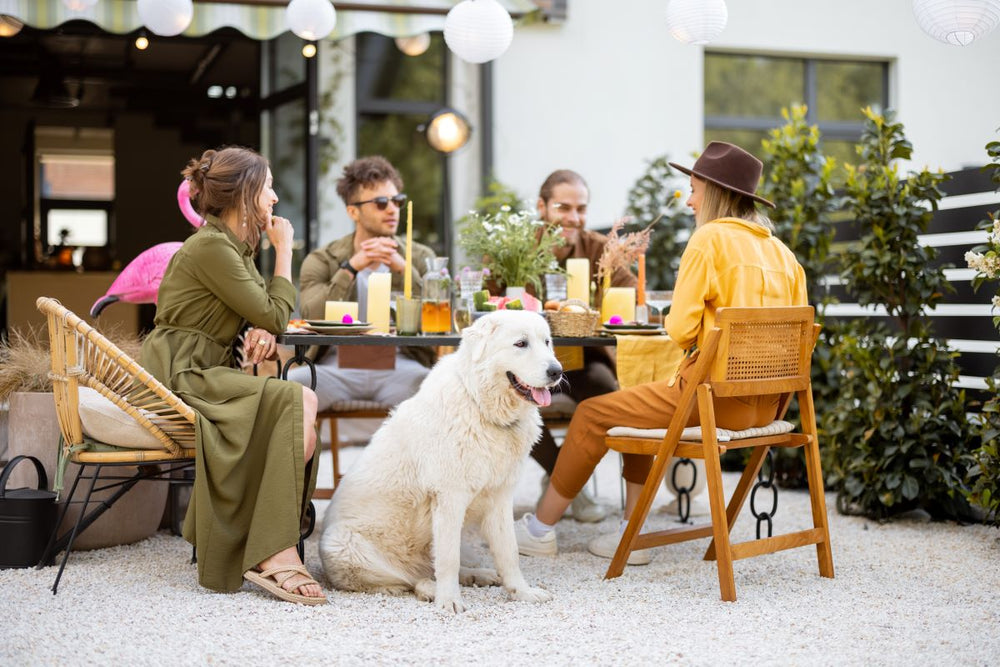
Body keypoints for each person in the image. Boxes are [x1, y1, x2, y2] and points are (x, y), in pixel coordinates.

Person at [515, 142, 808, 564]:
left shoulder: (709, 240)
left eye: (694, 189)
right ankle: (628, 532)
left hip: (712, 401)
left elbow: (680, 328)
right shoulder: (785, 255)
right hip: (768, 409)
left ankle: (539, 532)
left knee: (593, 414)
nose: (689, 200)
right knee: (635, 404)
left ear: (715, 191)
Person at [141, 147, 325, 604]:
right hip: (182, 371)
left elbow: (261, 314)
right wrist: (284, 252)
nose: (275, 199)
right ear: (245, 195)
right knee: (296, 400)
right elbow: (277, 313)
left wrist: (257, 325)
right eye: (267, 189)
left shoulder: (231, 248)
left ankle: (266, 543)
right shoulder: (211, 247)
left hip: (207, 368)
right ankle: (273, 550)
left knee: (301, 403)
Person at [518, 169, 638, 523]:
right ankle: (568, 485)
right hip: (525, 364)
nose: (574, 218)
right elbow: (494, 301)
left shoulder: (601, 249)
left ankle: (561, 485)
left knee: (607, 394)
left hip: (583, 360)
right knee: (510, 403)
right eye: (563, 207)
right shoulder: (517, 247)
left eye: (581, 209)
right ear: (542, 207)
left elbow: (631, 296)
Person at [286, 156, 436, 418]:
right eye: (380, 203)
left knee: (442, 392)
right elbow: (311, 313)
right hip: (336, 369)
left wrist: (403, 269)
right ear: (353, 211)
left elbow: (439, 316)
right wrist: (351, 268)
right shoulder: (324, 259)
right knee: (286, 391)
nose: (392, 210)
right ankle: (297, 460)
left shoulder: (420, 257)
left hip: (400, 369)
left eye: (397, 201)